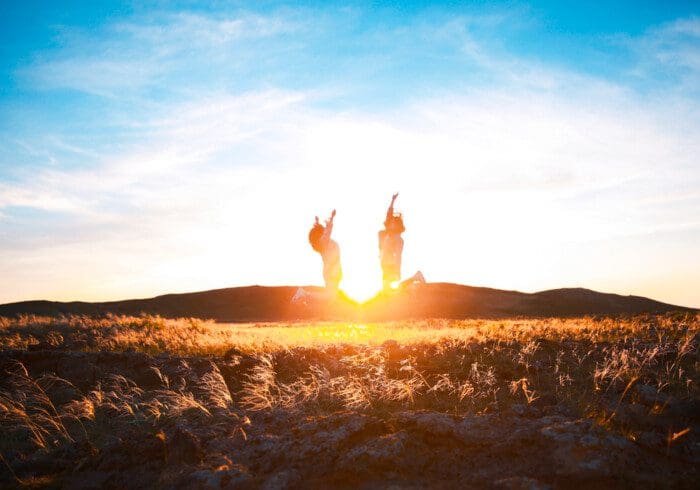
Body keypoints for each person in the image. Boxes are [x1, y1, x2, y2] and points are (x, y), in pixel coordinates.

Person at [378, 193, 425, 292]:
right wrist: (392, 201)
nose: (391, 223)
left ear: (397, 226)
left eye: (393, 223)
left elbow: (398, 255)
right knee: (388, 291)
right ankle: (414, 279)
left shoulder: (398, 239)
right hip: (384, 264)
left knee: (389, 291)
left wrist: (397, 270)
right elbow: (388, 215)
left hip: (390, 265)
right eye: (390, 222)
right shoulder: (387, 234)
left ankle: (416, 277)